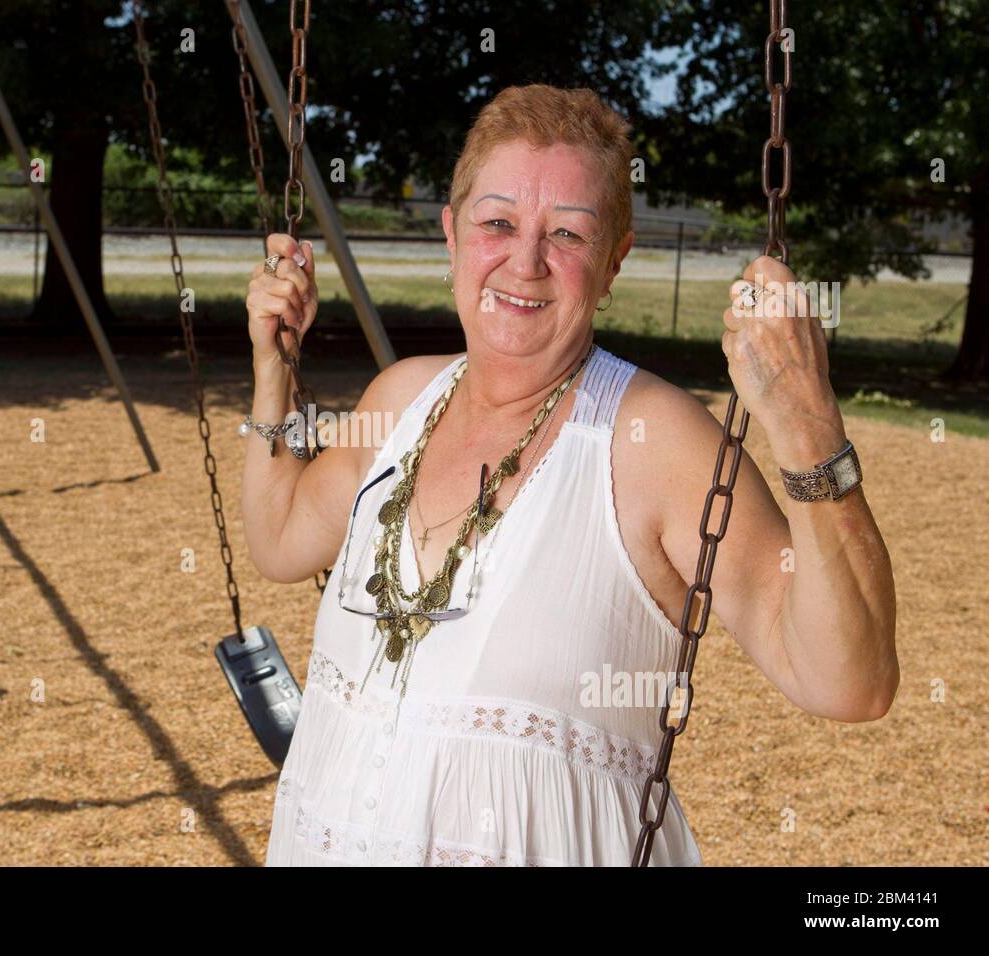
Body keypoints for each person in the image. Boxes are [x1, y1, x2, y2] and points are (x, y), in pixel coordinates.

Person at [239, 84, 898, 866]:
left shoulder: (655, 443)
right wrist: (272, 368)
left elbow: (849, 682)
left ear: (613, 262)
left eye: (569, 234)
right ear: (452, 234)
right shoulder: (401, 400)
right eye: (497, 223)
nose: (525, 261)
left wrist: (806, 424)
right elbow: (280, 541)